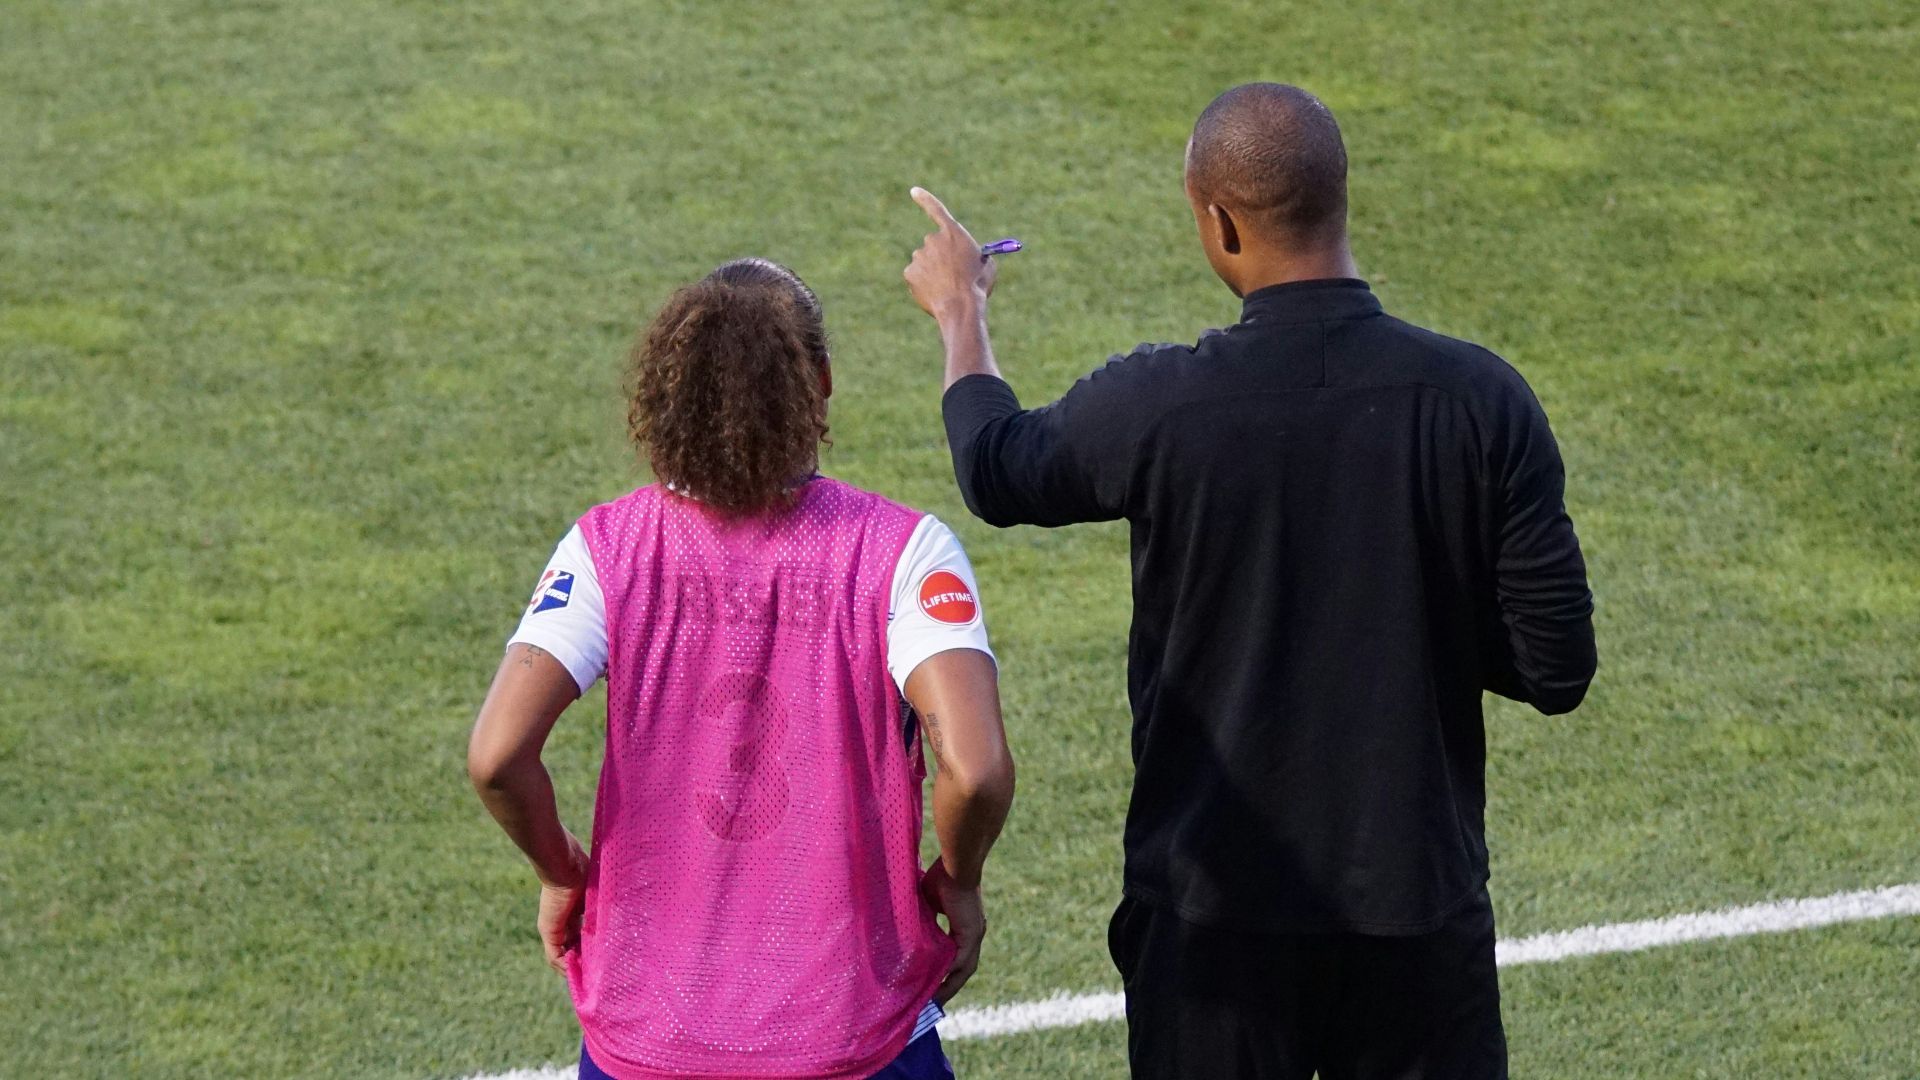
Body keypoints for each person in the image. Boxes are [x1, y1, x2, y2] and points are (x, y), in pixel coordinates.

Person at [902, 83, 1596, 1079]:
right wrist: (1408, 611)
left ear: (1218, 221)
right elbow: (1555, 667)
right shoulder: (1482, 400)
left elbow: (997, 468)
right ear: (1340, 200)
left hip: (1211, 927)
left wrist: (961, 311)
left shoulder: (1161, 403)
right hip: (1416, 917)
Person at [469, 258, 1015, 1080]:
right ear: (820, 385)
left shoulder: (605, 548)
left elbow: (497, 757)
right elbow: (974, 770)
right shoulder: (905, 551)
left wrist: (562, 870)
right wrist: (959, 880)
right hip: (852, 1040)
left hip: (643, 1043)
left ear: (671, 395)